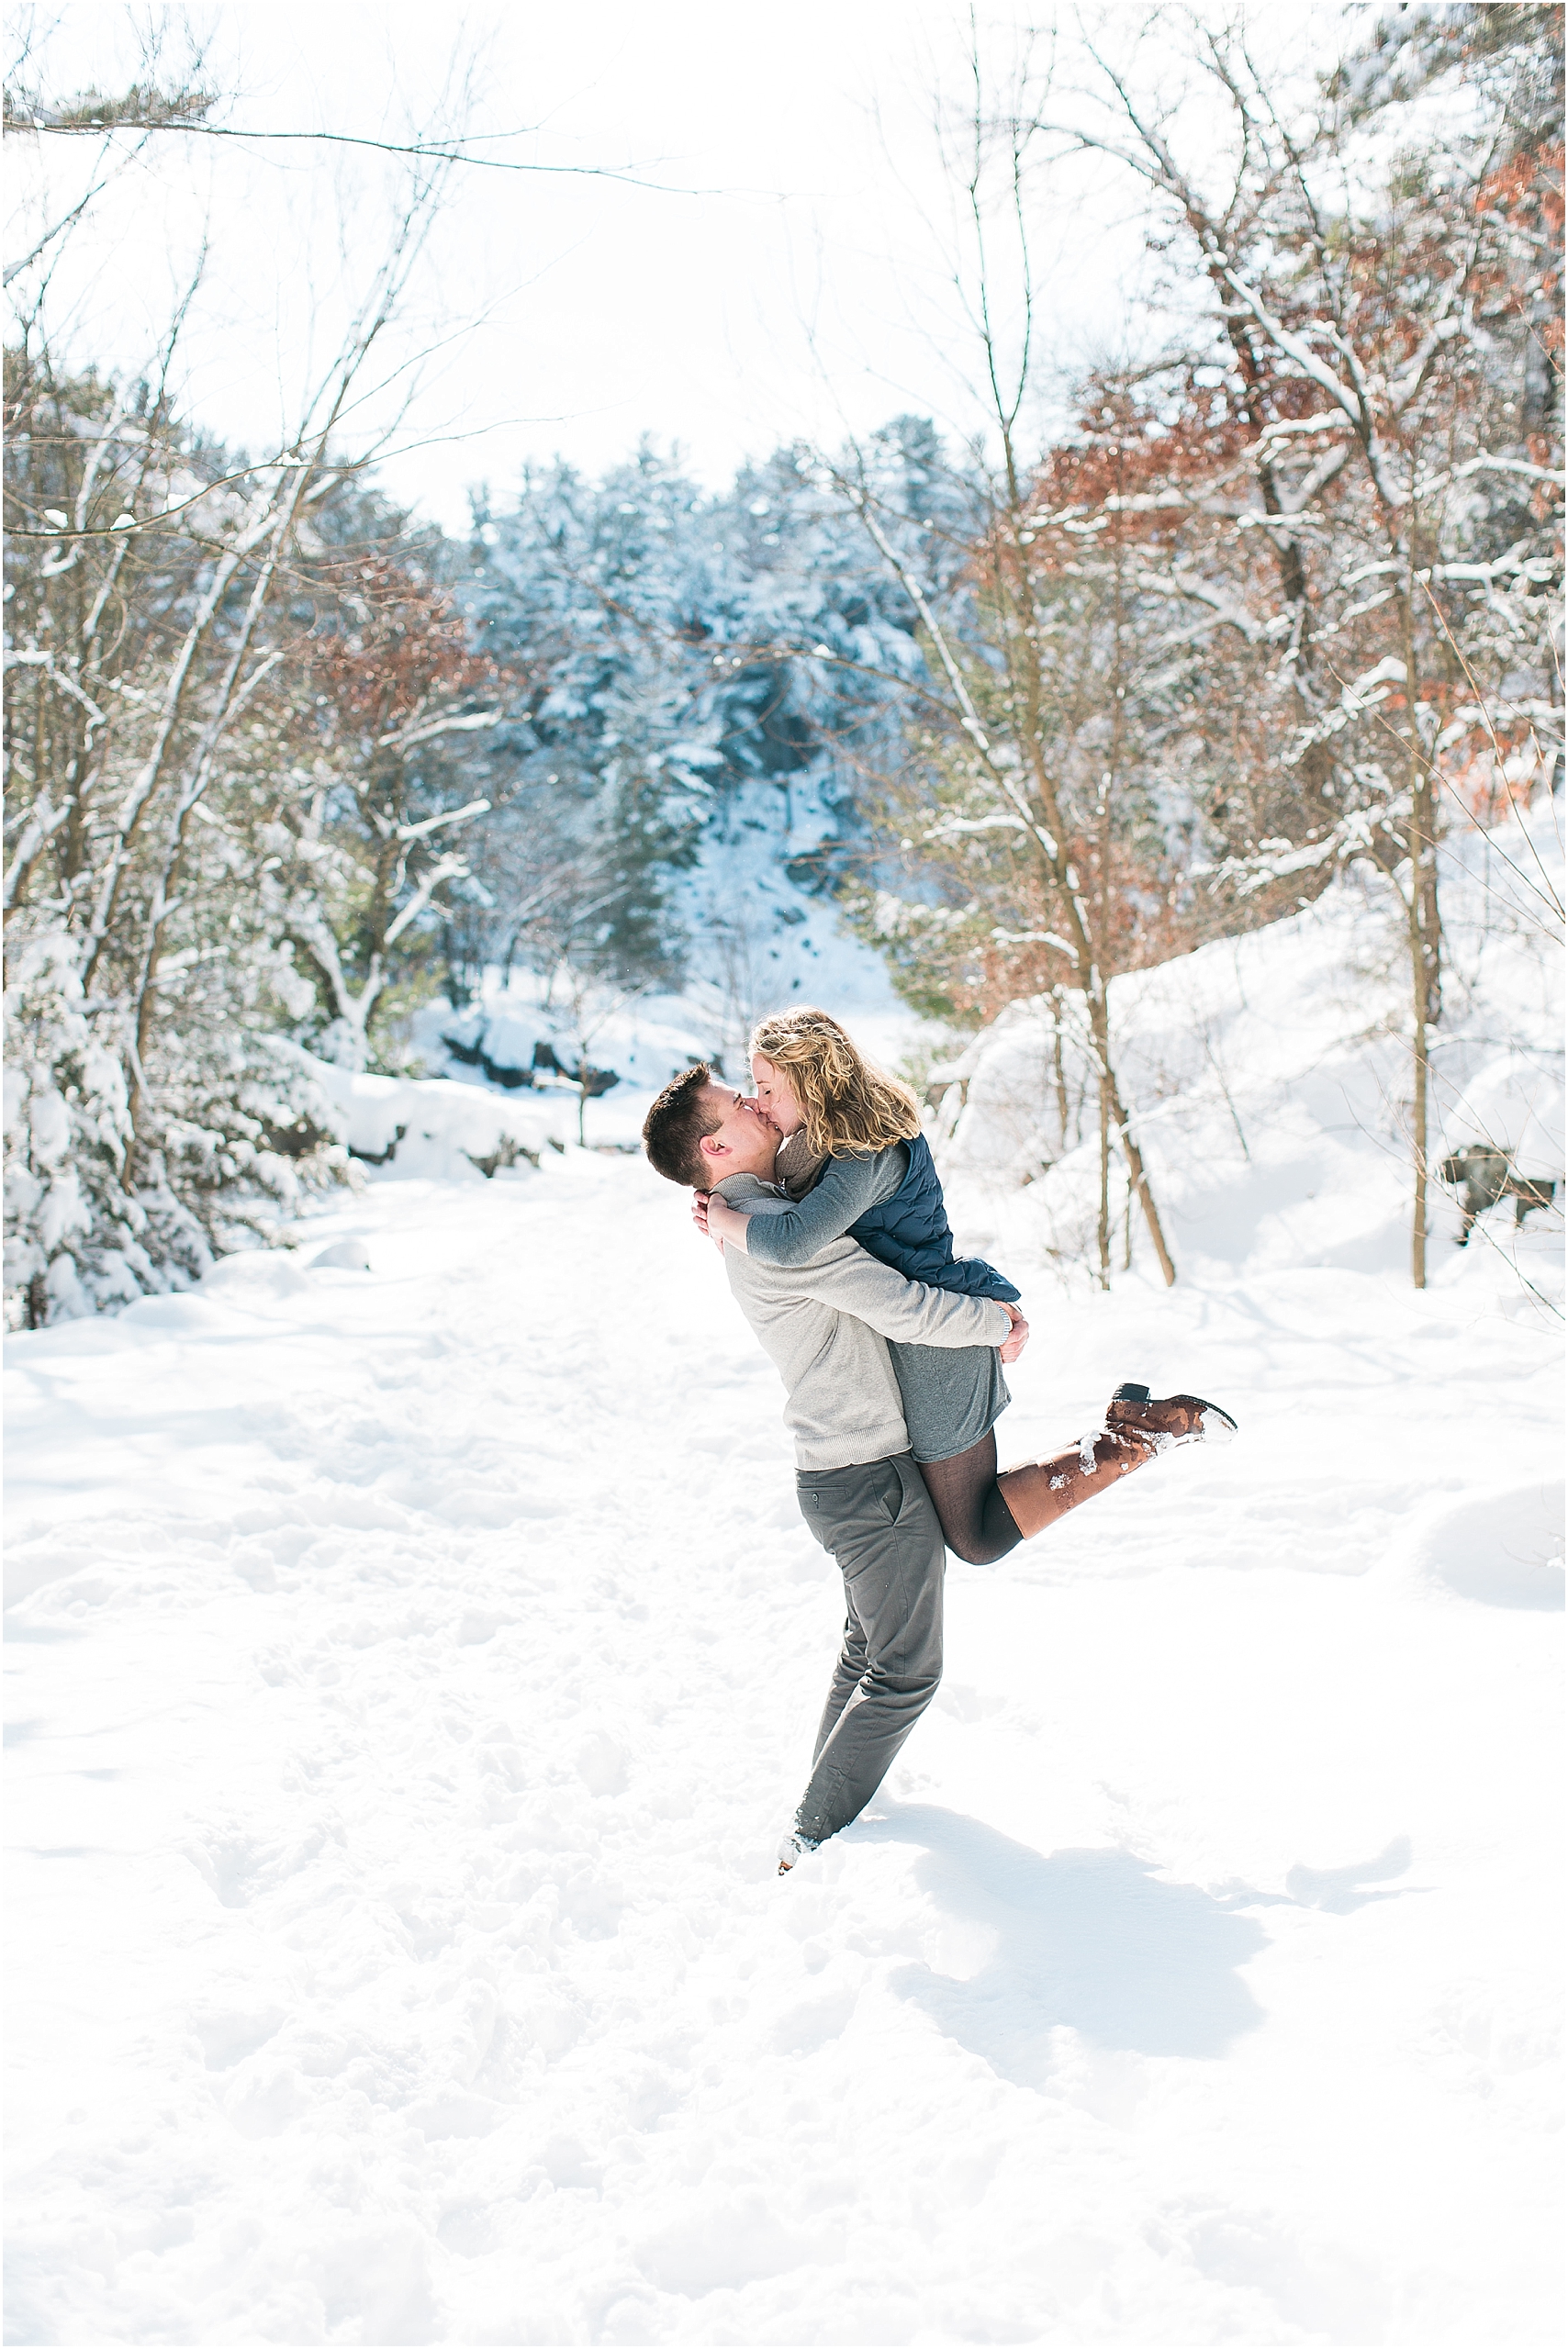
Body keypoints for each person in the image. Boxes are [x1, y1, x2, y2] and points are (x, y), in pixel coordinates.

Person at [642, 1052, 1235, 1874]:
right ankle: (808, 1849)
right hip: (865, 1477)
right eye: (739, 1101)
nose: (754, 1101)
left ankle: (823, 1819)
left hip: (849, 1474)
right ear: (714, 1149)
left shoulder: (760, 1209)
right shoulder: (772, 1235)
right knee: (905, 1670)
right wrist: (998, 1325)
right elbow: (894, 1301)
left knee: (878, 1639)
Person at [697, 1008, 1237, 1558]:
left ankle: (1134, 1434)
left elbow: (792, 1244)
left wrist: (725, 1220)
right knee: (946, 1526)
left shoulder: (866, 1152)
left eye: (766, 1088)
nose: (758, 1102)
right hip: (912, 1338)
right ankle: (1127, 1431)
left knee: (974, 1537)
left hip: (938, 1339)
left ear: (812, 1079)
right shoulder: (816, 1146)